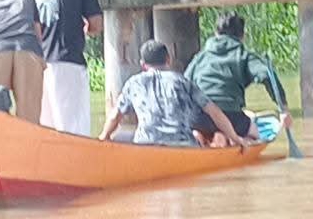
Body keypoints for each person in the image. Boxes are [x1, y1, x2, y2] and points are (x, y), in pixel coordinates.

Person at [99, 40, 246, 148]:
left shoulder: (133, 83)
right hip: (183, 145)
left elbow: (115, 116)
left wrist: (104, 137)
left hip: (146, 144)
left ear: (143, 64)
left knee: (120, 135)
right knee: (198, 135)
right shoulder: (183, 81)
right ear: (168, 59)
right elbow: (214, 112)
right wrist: (235, 138)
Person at [29, 0, 103, 135]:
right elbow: (96, 24)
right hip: (68, 61)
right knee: (73, 128)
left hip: (36, 65)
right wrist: (87, 30)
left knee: (45, 128)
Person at [185, 11, 292, 147]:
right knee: (255, 133)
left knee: (202, 126)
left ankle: (204, 137)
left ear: (216, 34)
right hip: (231, 116)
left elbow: (184, 83)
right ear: (242, 36)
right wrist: (284, 109)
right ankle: (230, 138)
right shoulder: (244, 55)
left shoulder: (200, 57)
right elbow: (266, 75)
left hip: (198, 116)